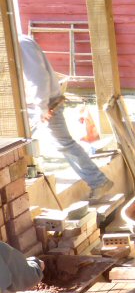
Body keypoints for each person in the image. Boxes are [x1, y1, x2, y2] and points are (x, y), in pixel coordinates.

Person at [20, 35, 113, 200]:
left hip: (48, 105)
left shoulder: (21, 44)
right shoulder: (16, 44)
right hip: (34, 106)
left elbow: (39, 78)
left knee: (63, 143)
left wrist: (41, 108)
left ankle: (98, 181)